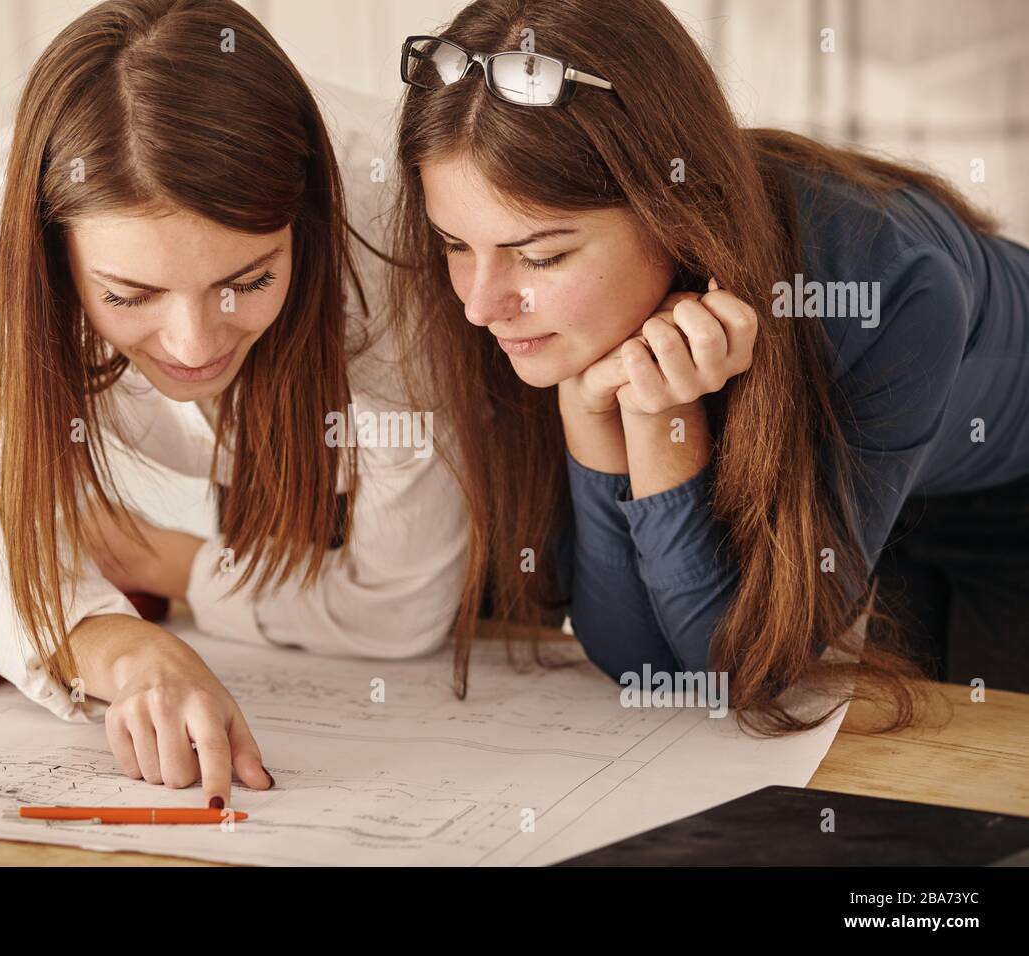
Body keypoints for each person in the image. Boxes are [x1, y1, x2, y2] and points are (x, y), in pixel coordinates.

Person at [386, 0, 1029, 733]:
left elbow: (742, 674)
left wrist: (659, 418)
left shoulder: (887, 285)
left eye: (540, 256)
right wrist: (592, 413)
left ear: (673, 210)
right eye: (454, 244)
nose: (479, 305)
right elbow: (642, 669)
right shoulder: (542, 320)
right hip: (895, 490)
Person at [0, 0, 467, 808]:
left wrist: (188, 570)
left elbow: (401, 605)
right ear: (55, 255)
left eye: (248, 281)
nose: (192, 347)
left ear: (306, 230)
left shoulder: (385, 222)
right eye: (128, 294)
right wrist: (125, 653)